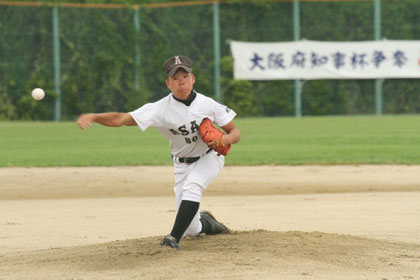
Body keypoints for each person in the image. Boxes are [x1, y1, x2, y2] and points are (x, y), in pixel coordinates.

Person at [76, 55, 241, 250]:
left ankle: (172, 239)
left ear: (193, 79)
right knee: (192, 228)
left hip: (209, 157)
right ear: (168, 83)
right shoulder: (159, 109)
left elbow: (235, 132)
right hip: (181, 164)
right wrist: (94, 116)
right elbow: (121, 119)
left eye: (185, 76)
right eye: (176, 78)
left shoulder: (208, 104)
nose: (181, 82)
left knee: (193, 186)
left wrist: (225, 139)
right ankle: (208, 223)